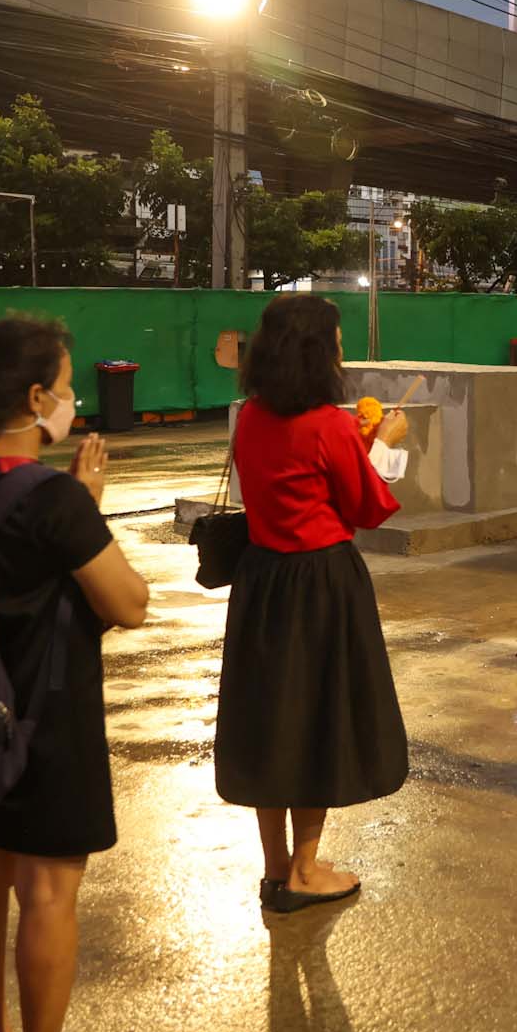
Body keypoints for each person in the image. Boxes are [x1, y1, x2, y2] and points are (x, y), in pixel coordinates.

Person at [0, 316, 148, 1032]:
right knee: (50, 886)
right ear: (34, 397)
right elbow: (127, 601)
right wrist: (86, 504)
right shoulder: (55, 496)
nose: (72, 398)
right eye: (63, 386)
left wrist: (74, 505)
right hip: (47, 717)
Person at [214, 294, 411, 914]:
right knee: (318, 717)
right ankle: (305, 869)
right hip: (322, 584)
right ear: (317, 352)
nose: (343, 352)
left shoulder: (250, 415)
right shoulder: (328, 424)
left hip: (262, 581)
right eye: (336, 342)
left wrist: (360, 442)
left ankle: (276, 869)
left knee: (272, 720)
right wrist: (386, 446)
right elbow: (367, 507)